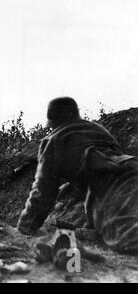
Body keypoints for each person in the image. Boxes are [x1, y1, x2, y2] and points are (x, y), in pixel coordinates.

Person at [17, 97, 138, 254]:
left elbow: (43, 191)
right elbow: (107, 159)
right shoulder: (99, 130)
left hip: (114, 187)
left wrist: (25, 227)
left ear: (54, 121)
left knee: (128, 239)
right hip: (132, 171)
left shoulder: (54, 140)